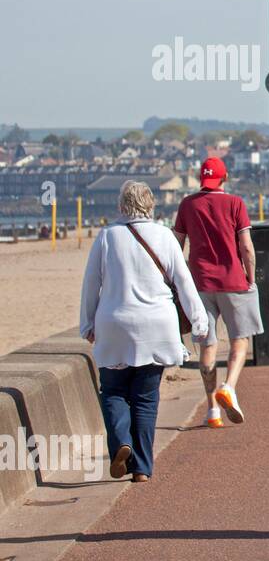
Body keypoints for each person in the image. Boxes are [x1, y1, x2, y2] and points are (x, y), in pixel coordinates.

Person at [81, 181, 208, 481]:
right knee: (146, 398)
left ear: (121, 205)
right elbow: (184, 283)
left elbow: (91, 284)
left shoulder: (107, 236)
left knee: (112, 391)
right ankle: (141, 468)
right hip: (156, 327)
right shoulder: (165, 236)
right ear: (151, 205)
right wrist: (199, 322)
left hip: (114, 325)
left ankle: (122, 441)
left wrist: (87, 323)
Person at [174, 157, 263, 429]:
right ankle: (229, 386)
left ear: (203, 179)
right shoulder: (235, 203)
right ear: (224, 179)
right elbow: (246, 247)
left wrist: (181, 280)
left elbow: (177, 245)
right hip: (234, 280)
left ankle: (212, 410)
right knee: (240, 339)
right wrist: (250, 276)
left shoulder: (188, 205)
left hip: (200, 283)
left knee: (207, 344)